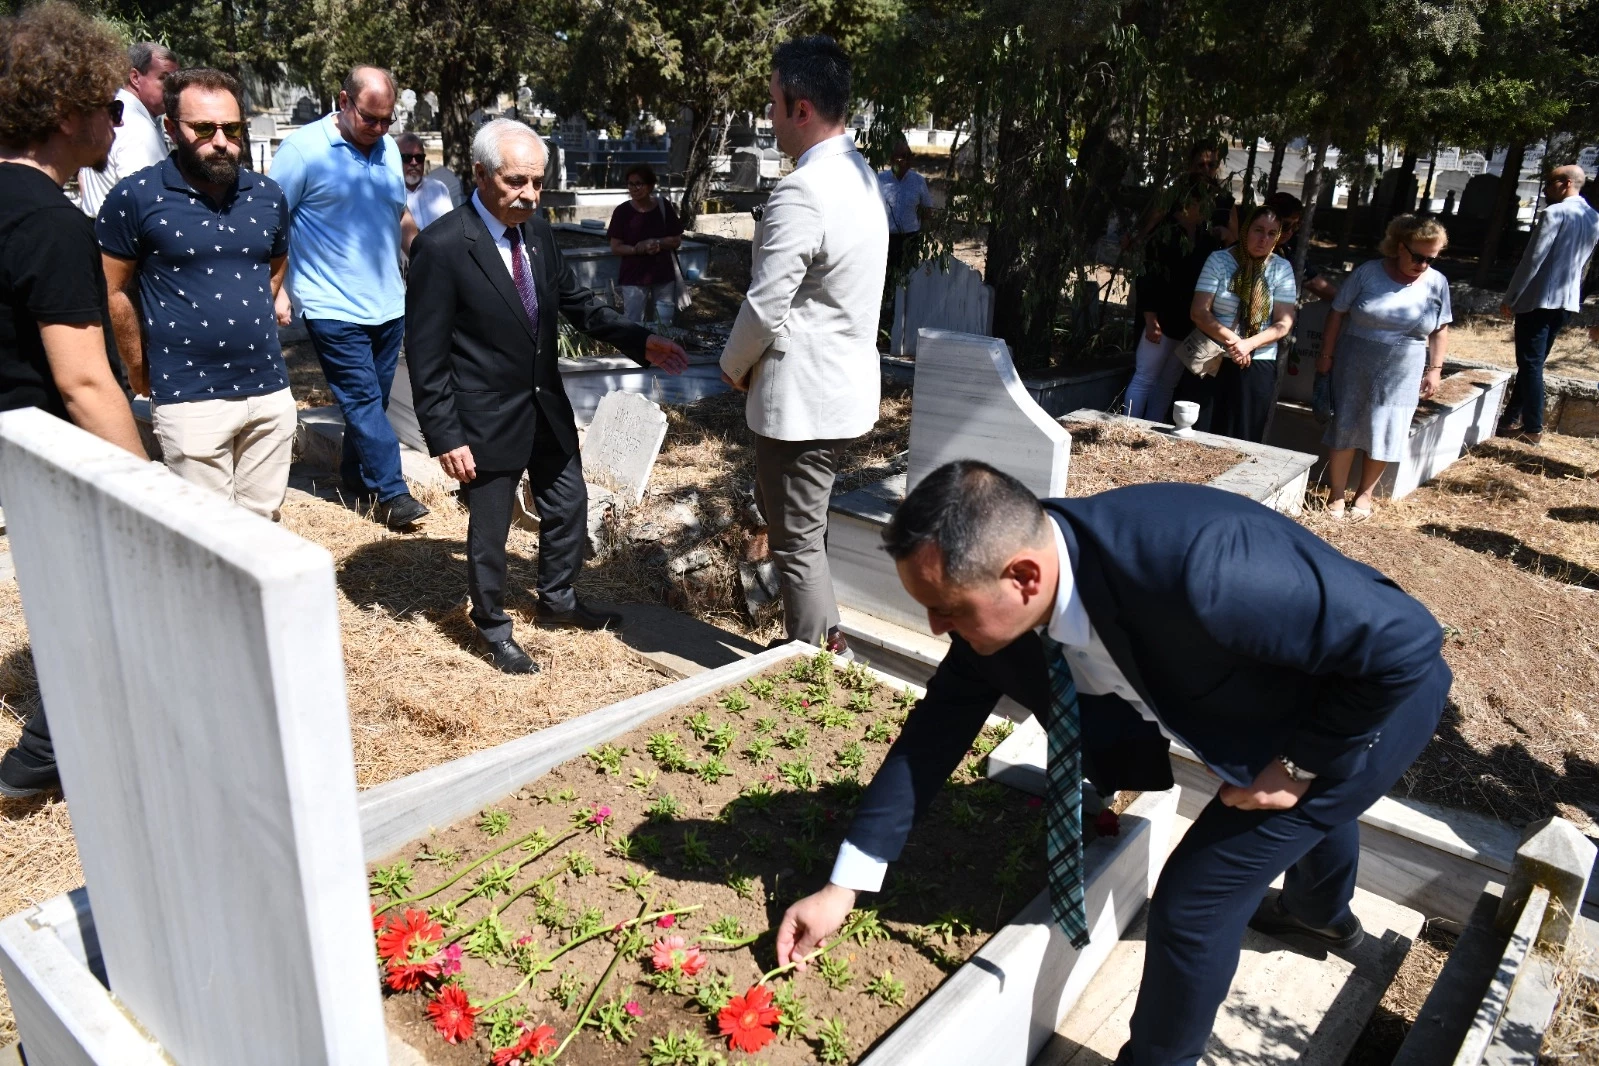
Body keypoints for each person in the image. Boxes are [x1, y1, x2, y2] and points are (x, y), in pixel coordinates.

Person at [777, 460, 1451, 1066]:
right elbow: (933, 735)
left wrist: (1301, 763)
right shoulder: (1013, 604)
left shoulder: (1200, 568)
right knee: (1291, 821)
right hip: (1279, 704)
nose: (933, 629)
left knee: (1194, 899)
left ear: (1023, 577)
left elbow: (1407, 645)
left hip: (1371, 710)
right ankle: (1318, 913)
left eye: (945, 610)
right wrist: (846, 884)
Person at [405, 120, 689, 674]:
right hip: (485, 418)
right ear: (481, 174)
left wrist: (640, 339)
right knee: (489, 531)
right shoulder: (442, 248)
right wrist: (445, 433)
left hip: (544, 406)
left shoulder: (537, 234)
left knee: (568, 505)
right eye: (516, 182)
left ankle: (556, 599)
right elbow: (426, 354)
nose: (530, 196)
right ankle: (492, 627)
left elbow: (580, 304)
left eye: (538, 183)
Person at [0, 1, 149, 799]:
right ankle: (47, 757)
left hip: (13, 449)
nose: (117, 126)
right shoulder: (51, 220)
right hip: (53, 452)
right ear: (63, 114)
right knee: (99, 602)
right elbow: (84, 379)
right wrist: (147, 491)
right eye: (109, 109)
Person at [719, 34, 888, 655]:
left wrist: (732, 365)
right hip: (840, 389)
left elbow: (767, 303)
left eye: (772, 104)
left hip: (803, 402)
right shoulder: (861, 176)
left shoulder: (804, 190)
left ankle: (816, 659)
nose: (769, 118)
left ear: (801, 109)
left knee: (795, 542)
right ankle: (818, 643)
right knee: (802, 530)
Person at [98, 67, 296, 521]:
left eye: (232, 128)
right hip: (189, 396)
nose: (221, 140)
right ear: (171, 128)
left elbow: (275, 264)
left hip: (268, 391)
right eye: (204, 128)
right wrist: (138, 368)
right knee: (209, 535)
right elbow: (113, 289)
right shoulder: (136, 197)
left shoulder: (267, 195)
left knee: (261, 528)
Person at [270, 65, 426, 528]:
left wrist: (430, 262)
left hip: (386, 302)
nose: (378, 130)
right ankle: (393, 493)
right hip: (330, 303)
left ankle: (356, 477)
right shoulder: (303, 150)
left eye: (386, 121)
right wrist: (276, 289)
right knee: (359, 398)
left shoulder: (389, 153)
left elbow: (399, 216)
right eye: (369, 119)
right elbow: (272, 220)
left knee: (373, 400)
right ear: (343, 101)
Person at [1318, 215, 1451, 519]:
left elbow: (1440, 328)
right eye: (1417, 256)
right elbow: (1337, 312)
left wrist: (1435, 368)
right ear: (1398, 247)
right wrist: (1326, 355)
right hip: (1355, 360)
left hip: (1404, 367)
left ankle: (1363, 496)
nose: (1423, 264)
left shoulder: (1437, 282)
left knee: (1386, 428)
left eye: (1431, 258)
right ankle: (1337, 496)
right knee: (1346, 423)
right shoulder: (1368, 273)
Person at [1496, 165, 1599, 445]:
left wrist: (1511, 297)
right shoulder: (1593, 217)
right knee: (1533, 363)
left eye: (1550, 183)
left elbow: (1533, 258)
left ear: (1566, 183)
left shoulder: (1555, 213)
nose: (1545, 189)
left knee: (1530, 363)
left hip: (1539, 299)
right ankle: (1509, 420)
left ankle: (1533, 428)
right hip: (1566, 301)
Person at [1187, 203, 1297, 442]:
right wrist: (1236, 341)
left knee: (1243, 438)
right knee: (1200, 434)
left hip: (1257, 363)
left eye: (1271, 233)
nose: (1263, 239)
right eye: (1258, 230)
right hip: (1213, 359)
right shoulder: (1219, 261)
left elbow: (1283, 323)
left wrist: (1249, 345)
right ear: (1246, 229)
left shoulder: (1281, 268)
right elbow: (1199, 312)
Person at [1125, 177, 1219, 421]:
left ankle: (1152, 427)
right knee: (1145, 377)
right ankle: (1127, 426)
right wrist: (1150, 318)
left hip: (1185, 322)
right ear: (1188, 204)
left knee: (1167, 384)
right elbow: (1147, 277)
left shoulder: (1204, 236)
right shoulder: (1164, 232)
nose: (1206, 209)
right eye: (1202, 203)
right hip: (1159, 318)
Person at [76, 41, 178, 218]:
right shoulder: (136, 127)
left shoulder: (110, 114)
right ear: (135, 78)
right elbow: (146, 202)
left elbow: (83, 177)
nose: (173, 89)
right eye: (164, 78)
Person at [606, 163, 684, 325]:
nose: (634, 188)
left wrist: (657, 243)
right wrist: (637, 249)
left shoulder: (663, 206)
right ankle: (635, 350)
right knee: (633, 323)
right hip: (634, 276)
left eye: (638, 184)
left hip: (663, 275)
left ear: (650, 186)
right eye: (630, 184)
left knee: (664, 322)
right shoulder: (622, 212)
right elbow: (615, 247)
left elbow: (676, 240)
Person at [1263, 192, 1339, 302]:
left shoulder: (1288, 248)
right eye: (1285, 226)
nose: (1289, 232)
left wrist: (1346, 304)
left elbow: (1312, 280)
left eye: (1295, 226)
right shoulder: (1249, 248)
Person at [876, 134, 933, 275]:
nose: (907, 160)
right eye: (902, 156)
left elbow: (927, 209)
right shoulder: (879, 180)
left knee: (908, 279)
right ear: (892, 158)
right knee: (886, 278)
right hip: (886, 241)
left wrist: (922, 237)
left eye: (909, 155)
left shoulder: (918, 181)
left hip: (910, 241)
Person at [397, 131, 452, 232]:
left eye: (419, 158)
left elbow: (451, 229)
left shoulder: (439, 189)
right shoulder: (390, 194)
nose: (414, 163)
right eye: (407, 158)